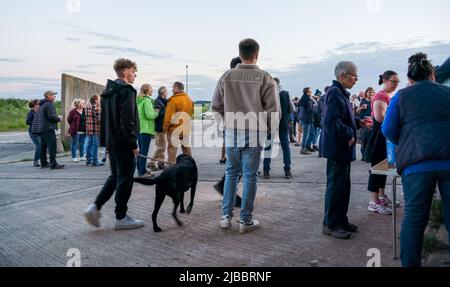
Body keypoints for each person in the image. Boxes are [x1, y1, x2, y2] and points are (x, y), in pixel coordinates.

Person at [382, 53, 450, 267]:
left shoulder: (400, 97)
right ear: (432, 75)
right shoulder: (447, 93)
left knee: (414, 219)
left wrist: (408, 140)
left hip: (416, 165)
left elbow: (388, 130)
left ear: (410, 79)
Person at [212, 38, 280, 234]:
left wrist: (225, 125)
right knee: (250, 176)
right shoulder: (265, 78)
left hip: (232, 131)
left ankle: (225, 217)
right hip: (255, 132)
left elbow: (215, 106)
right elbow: (273, 111)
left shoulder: (227, 76)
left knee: (231, 173)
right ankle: (245, 220)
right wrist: (270, 131)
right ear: (257, 54)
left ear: (240, 53)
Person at [84, 58, 144, 230]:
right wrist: (133, 143)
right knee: (125, 179)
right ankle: (121, 217)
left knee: (115, 176)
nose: (135, 74)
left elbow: (107, 120)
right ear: (125, 72)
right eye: (133, 71)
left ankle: (94, 207)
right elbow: (127, 121)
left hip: (112, 141)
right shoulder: (127, 91)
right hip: (124, 142)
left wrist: (107, 142)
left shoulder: (107, 92)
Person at [321, 61, 372, 239]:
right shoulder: (334, 93)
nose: (356, 78)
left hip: (343, 148)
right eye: (353, 75)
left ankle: (341, 219)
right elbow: (330, 122)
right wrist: (350, 132)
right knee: (336, 186)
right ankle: (330, 224)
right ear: (342, 76)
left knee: (344, 187)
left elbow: (343, 118)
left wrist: (358, 122)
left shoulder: (341, 93)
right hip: (337, 148)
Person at [365, 71, 400, 215]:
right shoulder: (380, 96)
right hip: (379, 137)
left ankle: (381, 196)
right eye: (393, 81)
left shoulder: (386, 96)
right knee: (377, 169)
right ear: (385, 81)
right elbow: (380, 118)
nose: (396, 84)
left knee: (384, 168)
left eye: (398, 82)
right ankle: (374, 202)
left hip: (384, 137)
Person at [262, 77, 294, 179]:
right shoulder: (285, 94)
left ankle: (266, 170)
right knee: (285, 146)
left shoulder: (267, 94)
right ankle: (287, 170)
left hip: (270, 123)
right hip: (283, 123)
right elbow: (292, 108)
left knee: (268, 147)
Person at [31, 91, 64, 170]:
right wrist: (59, 118)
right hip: (48, 128)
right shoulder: (49, 104)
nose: (54, 97)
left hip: (41, 129)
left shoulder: (42, 104)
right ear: (48, 96)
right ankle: (53, 164)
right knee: (52, 146)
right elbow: (51, 116)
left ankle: (44, 163)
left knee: (43, 146)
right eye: (53, 95)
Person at [163, 82, 194, 165]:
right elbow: (191, 112)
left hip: (174, 129)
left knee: (172, 150)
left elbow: (168, 117)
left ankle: (171, 168)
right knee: (186, 148)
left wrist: (165, 128)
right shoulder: (189, 99)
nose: (172, 89)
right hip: (185, 128)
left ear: (177, 88)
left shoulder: (173, 100)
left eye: (173, 87)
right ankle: (189, 166)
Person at [136, 84, 159, 177]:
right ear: (147, 90)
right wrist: (156, 112)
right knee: (144, 152)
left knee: (141, 152)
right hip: (146, 129)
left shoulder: (138, 100)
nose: (152, 91)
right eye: (151, 90)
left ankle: (140, 169)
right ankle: (142, 172)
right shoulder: (147, 100)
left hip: (140, 128)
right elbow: (149, 115)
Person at [149, 86, 169, 171]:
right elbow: (158, 115)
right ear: (162, 92)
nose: (167, 92)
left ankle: (161, 163)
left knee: (162, 146)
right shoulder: (157, 102)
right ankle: (151, 163)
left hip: (163, 127)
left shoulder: (164, 101)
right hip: (159, 127)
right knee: (160, 147)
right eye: (166, 91)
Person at [85, 94, 104, 166]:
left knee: (89, 144)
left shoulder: (87, 107)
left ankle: (88, 160)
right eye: (99, 99)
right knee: (95, 145)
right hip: (96, 128)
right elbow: (99, 119)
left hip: (89, 128)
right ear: (96, 100)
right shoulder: (97, 107)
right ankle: (95, 160)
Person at [357, 87, 375, 161]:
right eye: (370, 92)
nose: (371, 94)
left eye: (372, 92)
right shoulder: (362, 101)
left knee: (370, 139)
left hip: (371, 122)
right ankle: (364, 156)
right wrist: (361, 108)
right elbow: (357, 111)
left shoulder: (374, 101)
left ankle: (368, 156)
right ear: (366, 93)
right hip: (363, 122)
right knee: (363, 139)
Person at [299, 87, 315, 155]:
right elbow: (310, 110)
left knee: (312, 133)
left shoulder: (302, 99)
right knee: (307, 134)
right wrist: (314, 106)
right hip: (307, 119)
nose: (311, 93)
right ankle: (303, 149)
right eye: (310, 92)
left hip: (303, 119)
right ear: (307, 92)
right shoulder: (308, 100)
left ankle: (307, 146)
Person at [26, 99, 41, 167]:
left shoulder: (40, 112)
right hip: (33, 132)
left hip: (40, 131)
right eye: (38, 104)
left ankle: (43, 160)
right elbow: (27, 122)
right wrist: (36, 122)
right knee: (39, 146)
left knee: (42, 146)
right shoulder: (31, 112)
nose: (40, 105)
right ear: (35, 105)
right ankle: (35, 161)